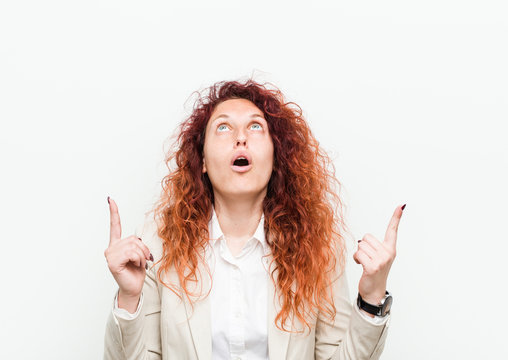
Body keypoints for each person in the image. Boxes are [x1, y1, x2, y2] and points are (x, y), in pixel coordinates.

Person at [103, 79, 405, 360]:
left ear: (276, 157)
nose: (241, 138)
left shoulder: (317, 248)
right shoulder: (158, 243)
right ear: (203, 161)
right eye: (223, 128)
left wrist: (371, 299)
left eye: (256, 127)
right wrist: (128, 300)